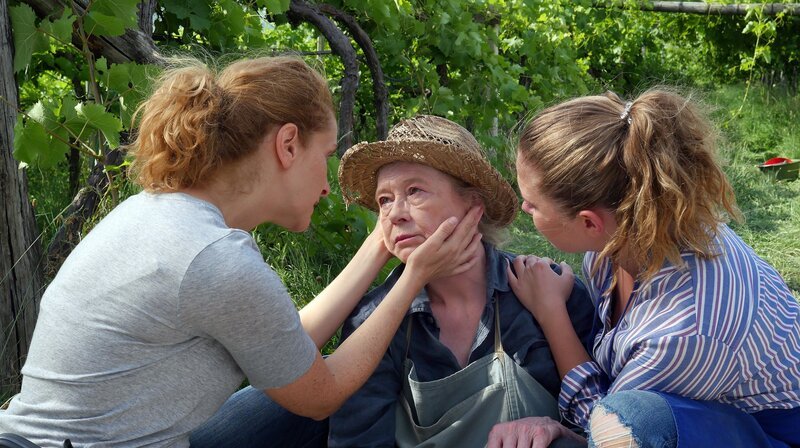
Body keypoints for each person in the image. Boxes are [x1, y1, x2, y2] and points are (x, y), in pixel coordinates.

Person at [0, 57, 484, 447]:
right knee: (315, 411)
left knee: (283, 396)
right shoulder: (214, 259)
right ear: (288, 145)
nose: (326, 185)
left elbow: (286, 345)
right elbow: (322, 394)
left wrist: (380, 243)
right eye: (325, 156)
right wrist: (413, 278)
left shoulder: (158, 213)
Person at [510, 88, 800, 447]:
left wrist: (551, 312)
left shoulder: (684, 327)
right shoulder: (623, 238)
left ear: (589, 222)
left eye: (533, 204)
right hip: (717, 407)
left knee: (634, 420)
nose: (524, 209)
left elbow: (610, 429)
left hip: (775, 431)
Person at [329, 115, 595, 448]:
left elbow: (612, 423)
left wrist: (560, 431)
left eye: (414, 191)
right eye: (384, 200)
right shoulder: (372, 325)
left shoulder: (549, 290)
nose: (395, 213)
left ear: (473, 204)